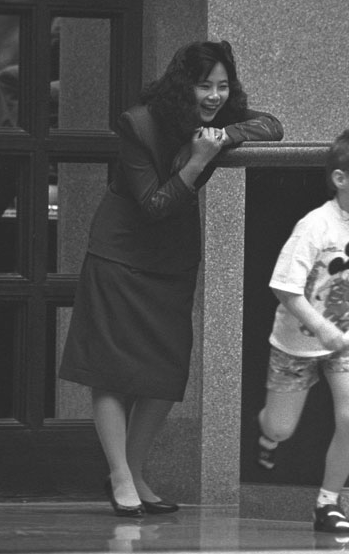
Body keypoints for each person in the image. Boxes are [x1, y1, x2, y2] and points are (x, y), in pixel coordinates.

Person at [59, 40, 283, 516]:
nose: (215, 96)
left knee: (165, 372)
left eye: (223, 86)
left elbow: (271, 126)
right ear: (184, 86)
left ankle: (135, 471)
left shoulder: (220, 117)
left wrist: (223, 134)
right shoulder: (138, 123)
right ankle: (121, 476)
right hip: (121, 253)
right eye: (205, 86)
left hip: (173, 257)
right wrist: (198, 158)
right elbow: (154, 204)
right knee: (111, 371)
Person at [256, 128, 349, 534]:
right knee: (281, 427)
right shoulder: (315, 226)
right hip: (296, 343)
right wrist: (321, 328)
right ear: (341, 178)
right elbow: (284, 287)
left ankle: (328, 502)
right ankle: (267, 432)